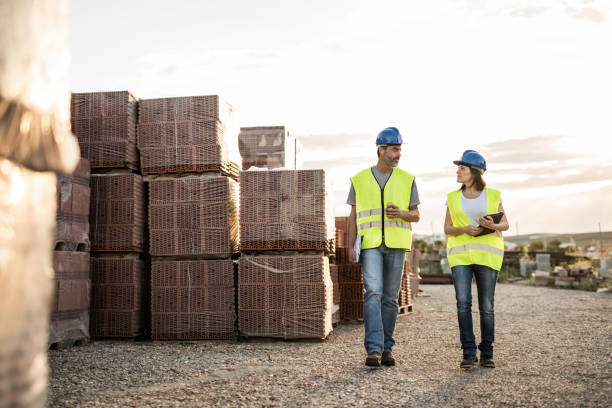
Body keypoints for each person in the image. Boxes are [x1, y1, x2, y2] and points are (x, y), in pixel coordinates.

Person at [346, 127, 420, 367]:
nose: (398, 154)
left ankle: (387, 348)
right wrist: (350, 245)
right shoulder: (359, 179)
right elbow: (353, 216)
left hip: (396, 245)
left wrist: (402, 213)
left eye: (400, 150)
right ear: (381, 149)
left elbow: (416, 215)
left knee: (389, 298)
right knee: (373, 292)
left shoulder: (408, 179)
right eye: (394, 150)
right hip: (371, 245)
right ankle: (374, 350)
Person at [443, 150, 509, 371]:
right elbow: (447, 228)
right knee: (463, 303)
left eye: (462, 168)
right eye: (458, 168)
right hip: (460, 255)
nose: (458, 171)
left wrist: (492, 226)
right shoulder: (452, 197)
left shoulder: (493, 195)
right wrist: (463, 229)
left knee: (486, 306)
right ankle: (469, 353)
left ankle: (487, 353)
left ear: (475, 172)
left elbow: (505, 224)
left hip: (487, 255)